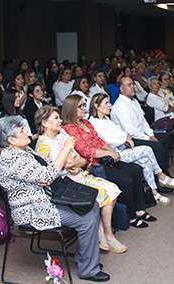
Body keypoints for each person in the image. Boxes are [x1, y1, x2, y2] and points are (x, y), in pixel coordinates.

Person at [0, 116, 110, 282]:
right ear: (11, 140)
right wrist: (66, 149)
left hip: (45, 199)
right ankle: (88, 269)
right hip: (32, 210)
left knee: (93, 205)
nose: (27, 132)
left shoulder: (24, 151)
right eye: (21, 131)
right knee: (86, 218)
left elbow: (48, 164)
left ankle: (84, 258)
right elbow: (47, 176)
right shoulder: (11, 160)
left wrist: (69, 165)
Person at [34, 106, 126, 253]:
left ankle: (106, 233)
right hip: (63, 184)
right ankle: (102, 233)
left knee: (112, 189)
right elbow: (65, 164)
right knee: (99, 193)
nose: (61, 120)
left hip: (78, 175)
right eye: (56, 118)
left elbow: (82, 160)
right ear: (44, 123)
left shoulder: (62, 136)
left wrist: (76, 163)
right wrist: (74, 162)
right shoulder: (43, 145)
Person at [62, 95, 153, 229]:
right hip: (92, 165)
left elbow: (99, 141)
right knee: (126, 180)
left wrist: (113, 152)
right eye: (80, 106)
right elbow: (86, 151)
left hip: (105, 159)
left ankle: (140, 209)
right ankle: (131, 217)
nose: (83, 108)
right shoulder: (70, 128)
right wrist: (109, 153)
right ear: (71, 109)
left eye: (83, 105)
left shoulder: (86, 122)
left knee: (135, 170)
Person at [89, 94, 174, 206]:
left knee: (146, 161)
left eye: (109, 102)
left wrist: (125, 137)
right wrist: (125, 138)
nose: (110, 105)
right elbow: (109, 140)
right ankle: (160, 175)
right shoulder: (94, 122)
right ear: (96, 106)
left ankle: (154, 192)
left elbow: (120, 132)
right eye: (106, 103)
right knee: (147, 150)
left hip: (120, 148)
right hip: (113, 154)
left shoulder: (106, 119)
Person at [110, 77, 171, 176]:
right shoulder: (121, 105)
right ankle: (158, 178)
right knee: (157, 146)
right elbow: (130, 130)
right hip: (128, 140)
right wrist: (148, 138)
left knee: (164, 137)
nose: (133, 86)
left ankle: (164, 171)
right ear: (121, 89)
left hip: (140, 134)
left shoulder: (133, 101)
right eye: (129, 85)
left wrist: (151, 135)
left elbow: (143, 122)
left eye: (133, 84)